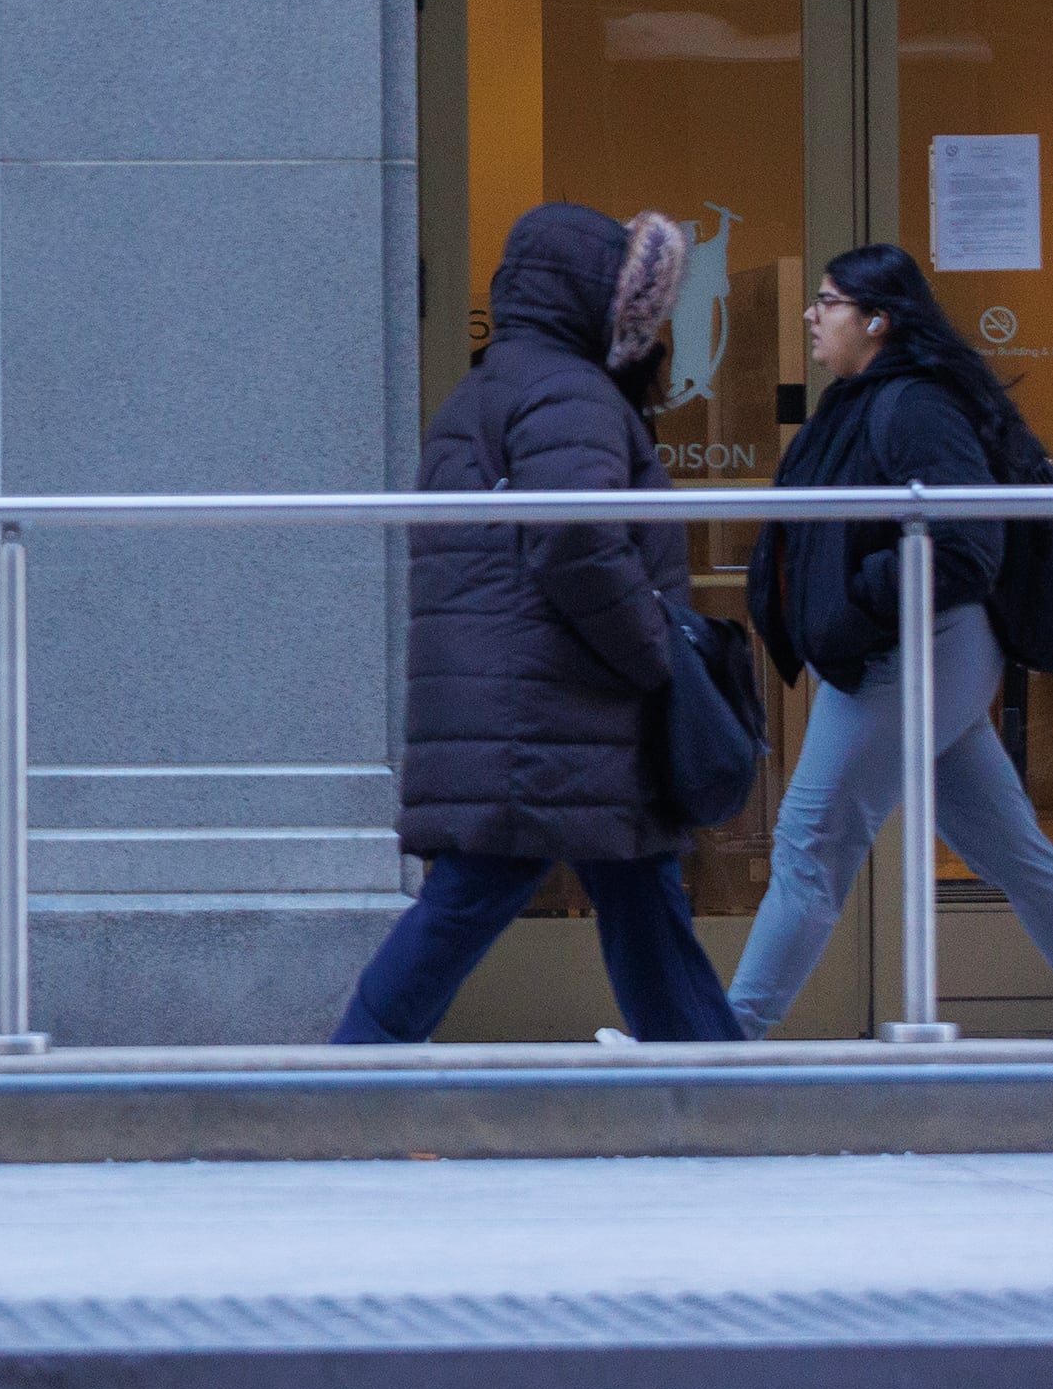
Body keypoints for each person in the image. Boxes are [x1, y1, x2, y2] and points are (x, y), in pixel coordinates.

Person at [335, 203, 746, 1045]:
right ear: (585, 292)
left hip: (534, 708)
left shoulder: (492, 389)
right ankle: (349, 1077)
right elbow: (576, 536)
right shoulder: (568, 391)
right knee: (476, 897)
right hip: (553, 710)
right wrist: (656, 654)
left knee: (637, 893)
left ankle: (711, 1082)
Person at [729, 244, 1053, 1035]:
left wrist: (855, 598)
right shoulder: (863, 399)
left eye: (828, 300)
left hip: (913, 651)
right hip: (925, 651)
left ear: (876, 319)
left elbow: (965, 541)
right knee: (1012, 854)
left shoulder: (911, 405)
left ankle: (716, 1048)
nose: (811, 311)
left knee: (809, 843)